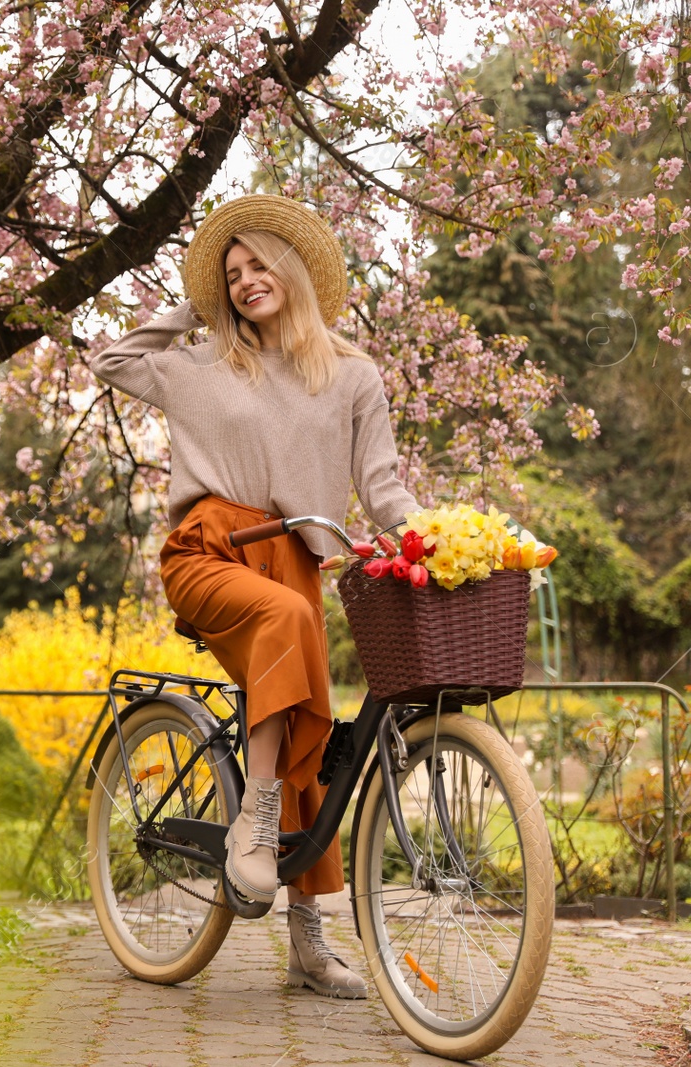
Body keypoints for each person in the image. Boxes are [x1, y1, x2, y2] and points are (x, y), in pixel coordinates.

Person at [86, 193, 421, 1000]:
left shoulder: (351, 375)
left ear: (295, 268)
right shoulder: (202, 363)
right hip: (209, 549)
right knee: (287, 626)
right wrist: (191, 305)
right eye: (231, 274)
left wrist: (425, 539)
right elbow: (111, 360)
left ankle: (308, 942)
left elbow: (382, 484)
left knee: (311, 725)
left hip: (296, 564)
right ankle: (256, 816)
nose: (245, 282)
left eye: (258, 263)